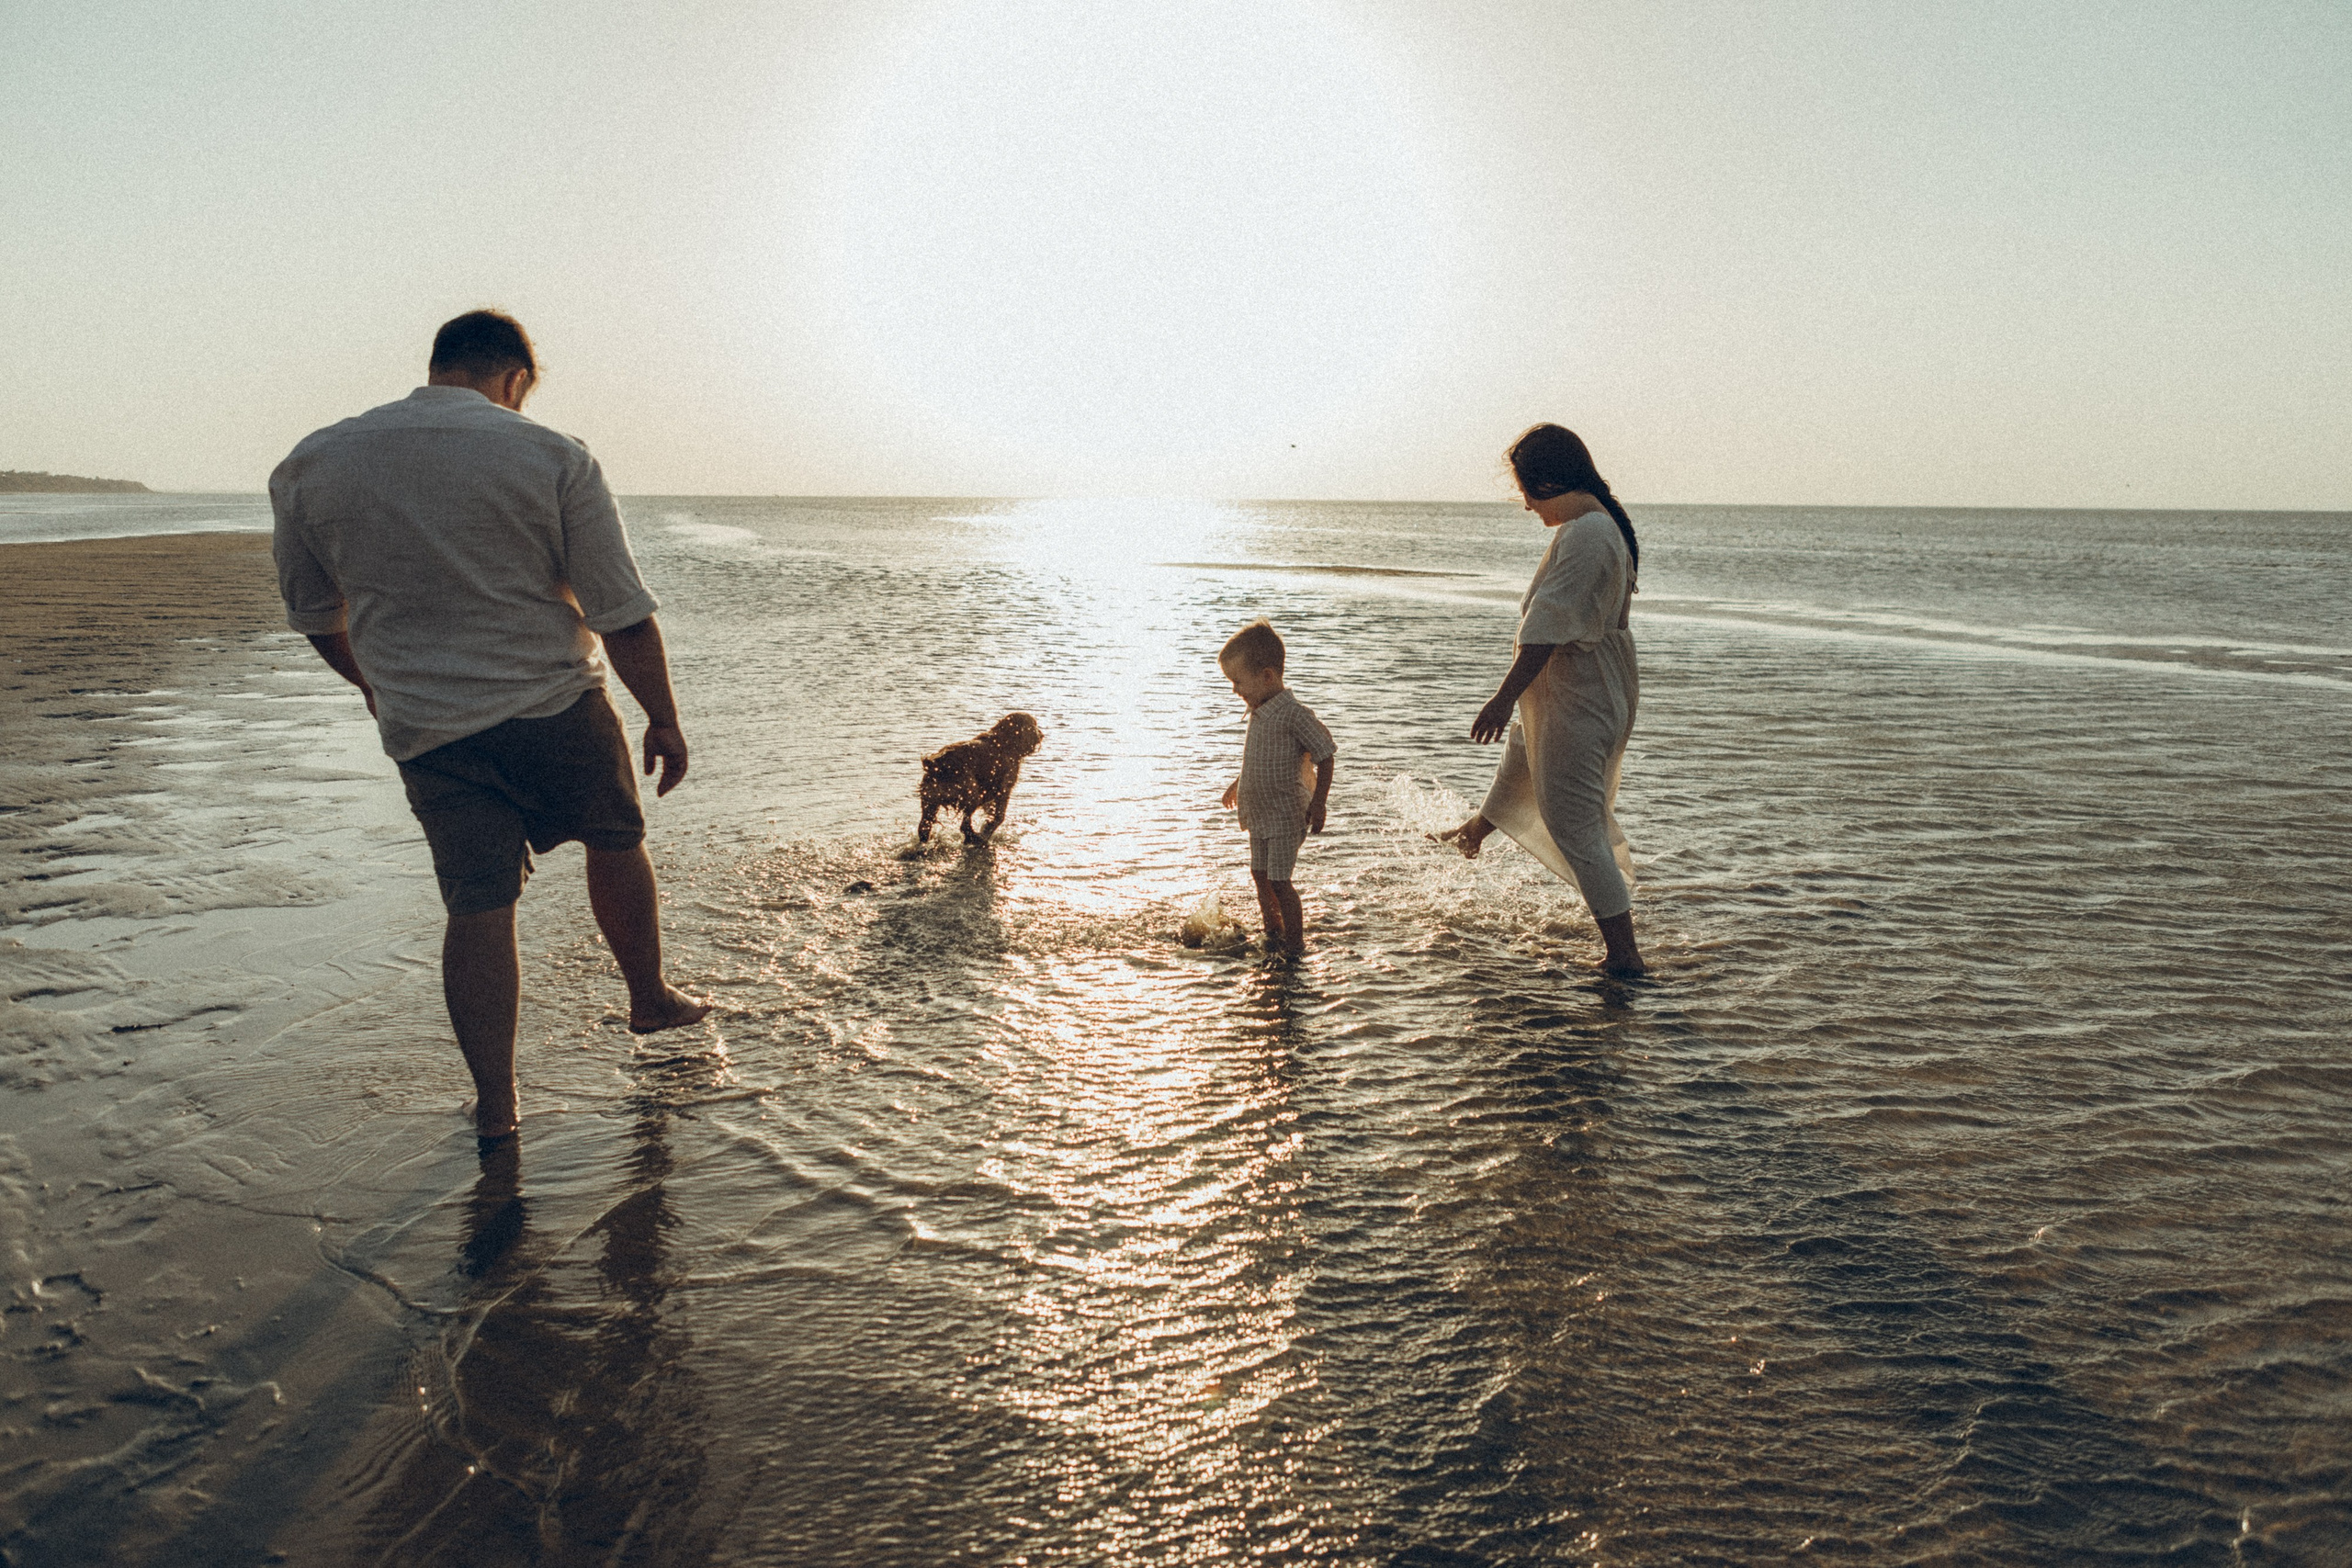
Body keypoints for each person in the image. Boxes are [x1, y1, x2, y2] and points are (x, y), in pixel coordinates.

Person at [270, 309, 710, 1142]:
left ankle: (497, 1103)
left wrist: (375, 687)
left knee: (477, 903)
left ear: (439, 365)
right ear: (514, 380)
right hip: (553, 701)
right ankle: (649, 1001)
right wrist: (663, 717)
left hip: (429, 727)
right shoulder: (551, 454)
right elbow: (620, 611)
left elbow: (316, 615)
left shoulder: (312, 462)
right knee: (615, 838)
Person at [1438, 423, 1647, 976]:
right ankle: (1473, 833)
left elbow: (1546, 627)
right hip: (1574, 686)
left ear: (1549, 480)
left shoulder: (1588, 533)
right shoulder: (1592, 526)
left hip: (1578, 691)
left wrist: (1502, 697)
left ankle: (1625, 958)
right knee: (1521, 764)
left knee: (1574, 824)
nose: (1528, 507)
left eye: (1527, 493)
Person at [1217, 619, 1337, 957]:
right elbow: (1259, 758)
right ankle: (1272, 930)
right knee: (1259, 874)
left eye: (1238, 682)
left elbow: (1326, 754)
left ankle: (1295, 945)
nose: (1235, 691)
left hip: (1285, 815)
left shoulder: (1294, 716)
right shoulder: (1258, 712)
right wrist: (1238, 784)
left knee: (1280, 881)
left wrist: (1320, 802)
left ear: (1267, 676)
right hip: (1260, 812)